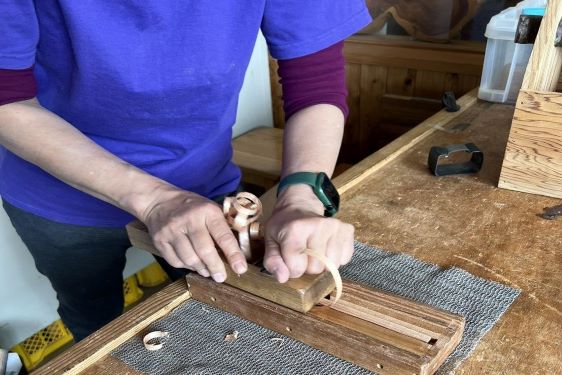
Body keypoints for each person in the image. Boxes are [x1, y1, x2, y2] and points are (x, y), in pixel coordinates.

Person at [0, 2, 372, 341]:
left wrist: (302, 196)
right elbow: (6, 99)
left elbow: (315, 82)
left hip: (203, 183)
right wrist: (153, 200)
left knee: (233, 318)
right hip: (56, 190)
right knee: (93, 320)